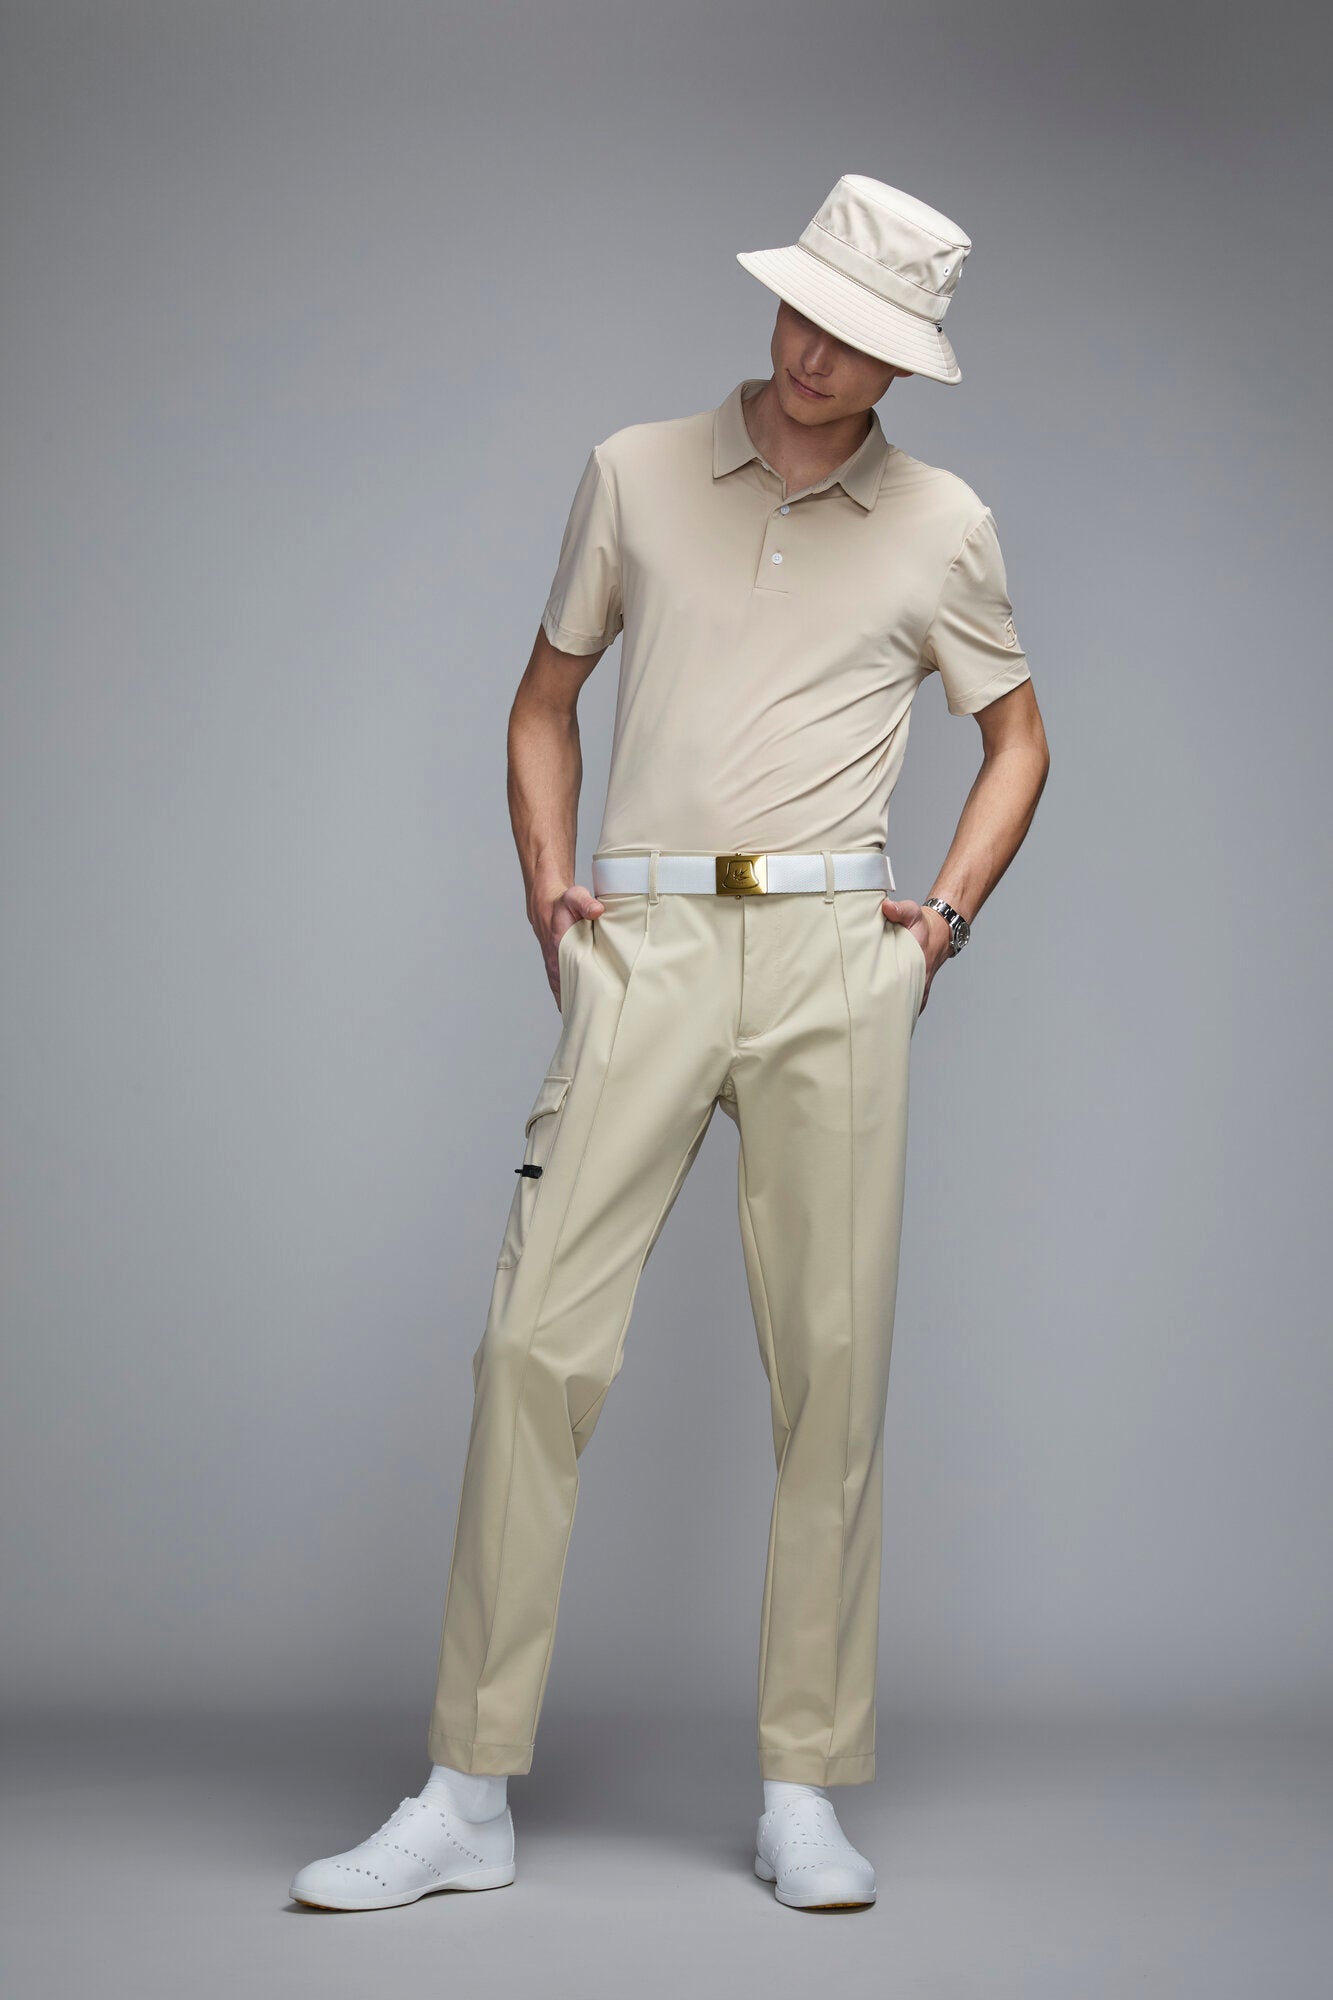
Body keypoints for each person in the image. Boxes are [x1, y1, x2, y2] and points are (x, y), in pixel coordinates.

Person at [290, 173, 1050, 1915]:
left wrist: (936, 925)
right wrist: (548, 891)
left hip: (834, 960)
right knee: (530, 1351)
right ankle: (464, 1794)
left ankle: (802, 1791)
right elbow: (542, 703)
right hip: (642, 947)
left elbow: (1016, 737)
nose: (813, 353)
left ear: (903, 365)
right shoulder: (632, 472)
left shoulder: (942, 524)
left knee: (831, 1378)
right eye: (801, 312)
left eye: (856, 338)